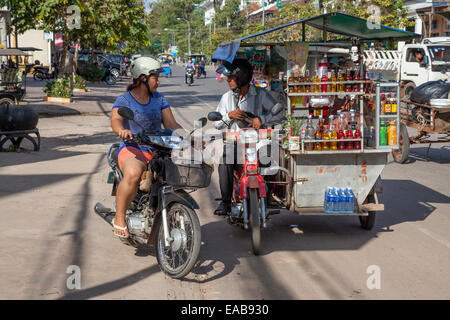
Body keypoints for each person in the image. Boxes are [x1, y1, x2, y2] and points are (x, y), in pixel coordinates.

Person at [110, 57, 185, 238]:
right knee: (134, 174)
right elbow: (116, 119)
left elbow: (171, 123)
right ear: (142, 77)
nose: (158, 81)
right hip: (133, 147)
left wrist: (190, 137)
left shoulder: (159, 99)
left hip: (158, 148)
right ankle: (119, 217)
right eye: (155, 77)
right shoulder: (125, 99)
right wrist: (121, 130)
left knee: (178, 174)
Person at [213, 58, 284, 215]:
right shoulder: (226, 98)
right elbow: (216, 124)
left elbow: (280, 113)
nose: (228, 80)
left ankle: (268, 197)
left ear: (242, 77)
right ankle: (225, 202)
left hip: (258, 143)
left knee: (269, 155)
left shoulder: (261, 94)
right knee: (225, 160)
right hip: (236, 144)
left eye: (231, 77)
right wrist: (229, 116)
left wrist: (262, 119)